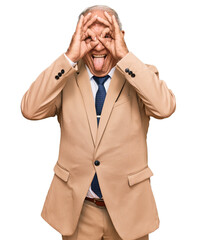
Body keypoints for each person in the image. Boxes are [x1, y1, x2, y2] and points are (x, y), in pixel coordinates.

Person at [20, 5, 176, 240]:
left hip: (129, 211)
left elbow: (165, 108)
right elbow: (30, 109)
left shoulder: (140, 75)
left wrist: (126, 57)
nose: (98, 44)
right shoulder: (65, 77)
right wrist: (69, 57)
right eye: (88, 37)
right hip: (78, 212)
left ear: (120, 38)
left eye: (107, 35)